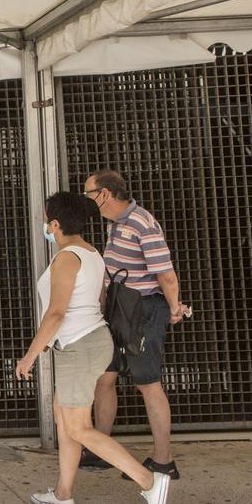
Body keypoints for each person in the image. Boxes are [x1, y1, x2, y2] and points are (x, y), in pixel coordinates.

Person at [16, 192, 171, 504]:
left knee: (78, 427)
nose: (44, 224)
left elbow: (56, 313)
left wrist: (30, 355)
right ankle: (63, 494)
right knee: (66, 421)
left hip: (79, 347)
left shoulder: (66, 259)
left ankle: (150, 481)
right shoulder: (91, 253)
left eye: (46, 219)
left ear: (55, 223)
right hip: (90, 341)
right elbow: (98, 302)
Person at [80, 170, 188, 480]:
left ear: (106, 194)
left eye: (89, 192)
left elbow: (165, 274)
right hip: (120, 310)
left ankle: (164, 461)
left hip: (142, 312)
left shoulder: (141, 222)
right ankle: (102, 448)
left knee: (147, 383)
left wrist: (174, 308)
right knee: (105, 377)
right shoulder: (117, 223)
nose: (86, 198)